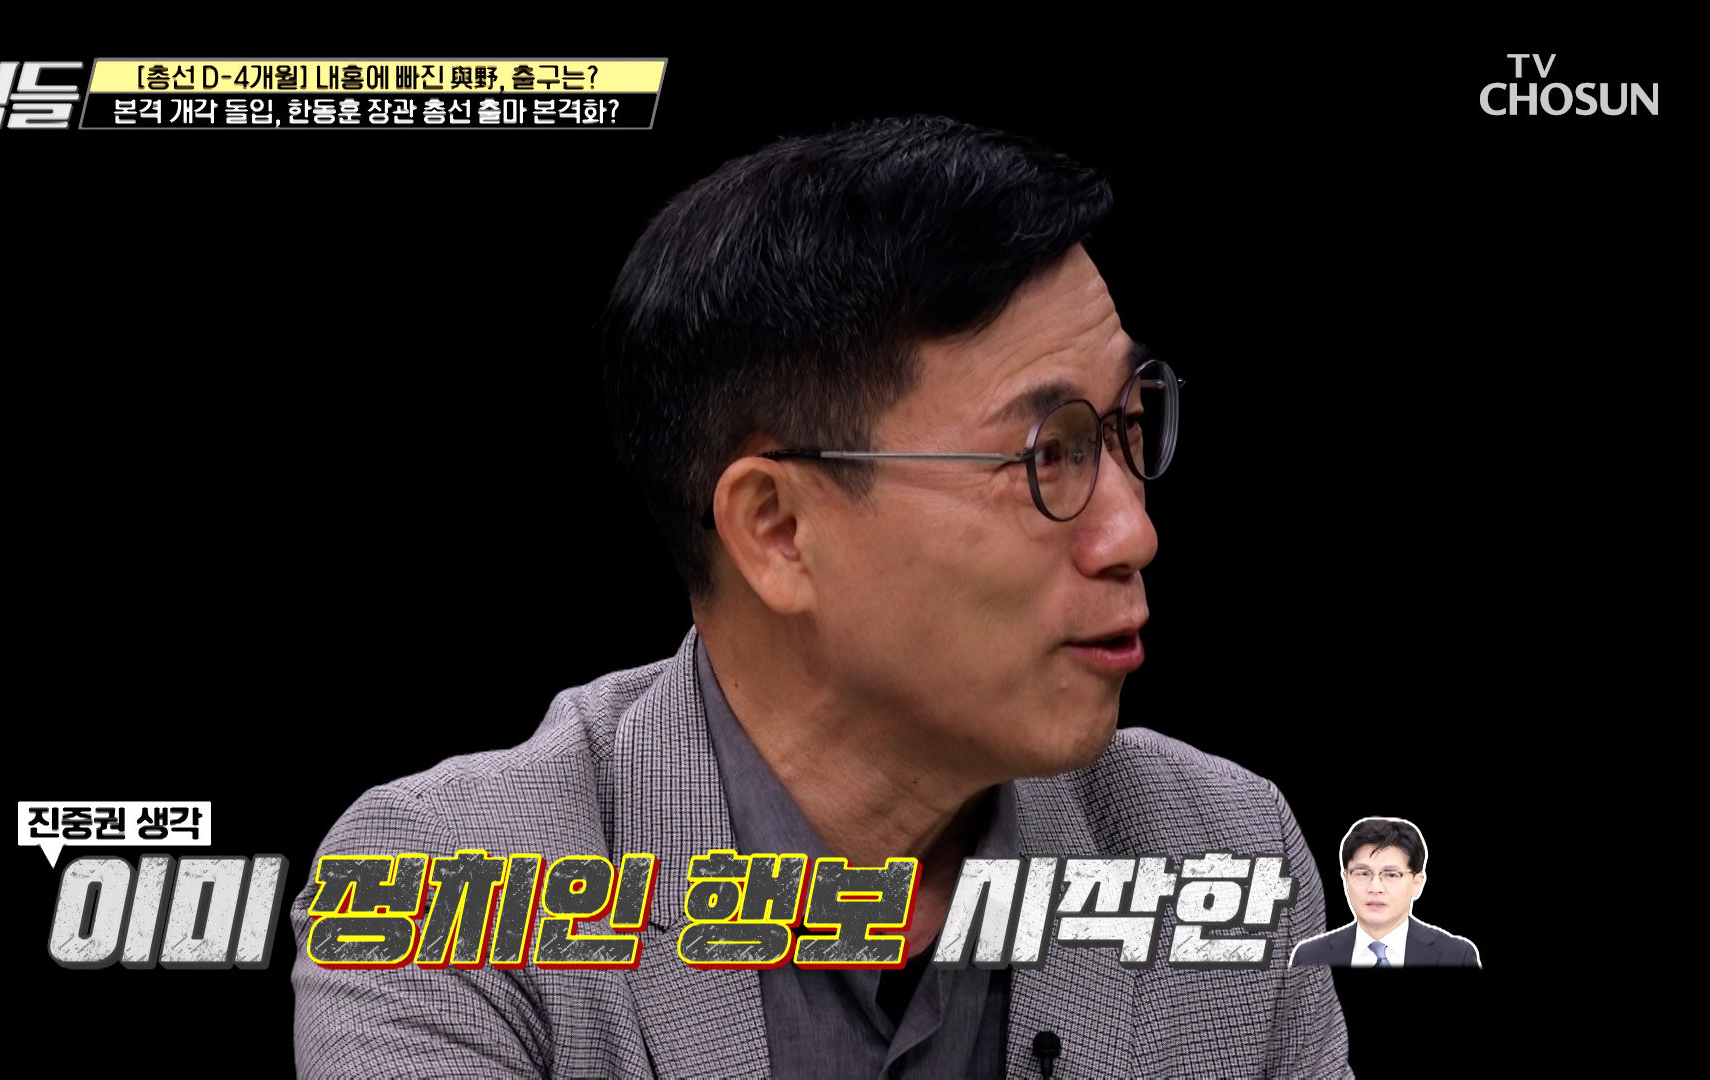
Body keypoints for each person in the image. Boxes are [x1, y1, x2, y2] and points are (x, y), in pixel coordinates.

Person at [291, 115, 1351, 1078]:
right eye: (1049, 454)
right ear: (778, 530)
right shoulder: (442, 897)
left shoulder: (1222, 849)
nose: (1134, 534)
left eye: (1128, 427)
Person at [1290, 817, 1481, 968]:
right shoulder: (1309, 957)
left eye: (1391, 875)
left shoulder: (1456, 956)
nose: (1375, 888)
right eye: (1363, 873)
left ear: (1417, 883)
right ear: (1346, 878)